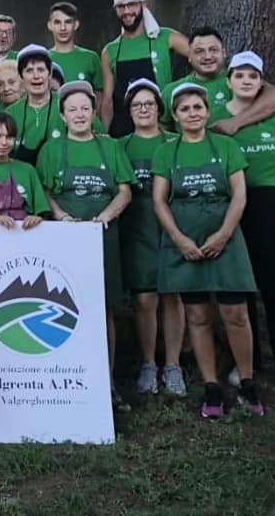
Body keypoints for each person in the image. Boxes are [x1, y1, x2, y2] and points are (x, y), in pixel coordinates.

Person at [152, 83, 262, 418]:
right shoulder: (166, 153)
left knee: (236, 314)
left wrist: (224, 234)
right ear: (175, 116)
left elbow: (239, 194)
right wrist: (179, 239)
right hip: (185, 240)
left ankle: (247, 381)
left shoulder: (227, 147)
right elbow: (159, 200)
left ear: (207, 111)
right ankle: (211, 386)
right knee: (197, 316)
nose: (192, 114)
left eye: (197, 107)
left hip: (225, 238)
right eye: (184, 109)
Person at [36, 81, 136, 411]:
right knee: (64, 309)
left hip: (103, 238)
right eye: (72, 109)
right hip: (64, 240)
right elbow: (46, 192)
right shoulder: (51, 151)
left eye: (85, 108)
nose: (79, 114)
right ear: (62, 117)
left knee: (103, 310)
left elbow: (124, 191)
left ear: (94, 113)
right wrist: (61, 216)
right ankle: (68, 381)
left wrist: (104, 218)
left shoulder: (111, 148)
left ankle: (106, 384)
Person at [214, 52, 275, 388]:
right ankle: (246, 363)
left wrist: (267, 173)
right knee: (242, 285)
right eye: (239, 75)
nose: (246, 81)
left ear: (261, 82)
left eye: (253, 76)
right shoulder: (214, 117)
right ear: (228, 82)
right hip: (235, 206)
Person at [116, 79, 186, 396]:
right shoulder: (120, 146)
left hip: (173, 228)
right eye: (136, 105)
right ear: (129, 111)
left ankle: (173, 365)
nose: (143, 109)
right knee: (144, 299)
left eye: (149, 104)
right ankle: (148, 363)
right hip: (137, 228)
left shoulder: (177, 141)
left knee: (173, 296)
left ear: (159, 108)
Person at [161, 27, 275, 134]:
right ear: (189, 56)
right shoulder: (172, 90)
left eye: (213, 50)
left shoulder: (239, 79)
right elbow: (161, 132)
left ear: (224, 52)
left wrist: (235, 122)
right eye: (199, 51)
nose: (207, 56)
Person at [100, 0, 189, 137]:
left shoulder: (166, 37)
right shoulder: (110, 51)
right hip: (123, 131)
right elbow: (107, 101)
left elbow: (201, 57)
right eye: (121, 6)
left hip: (160, 128)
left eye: (131, 4)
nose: (127, 11)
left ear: (143, 4)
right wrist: (105, 136)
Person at [6, 44, 63, 165]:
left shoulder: (68, 105)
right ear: (21, 77)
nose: (36, 76)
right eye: (29, 71)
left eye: (41, 70)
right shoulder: (10, 114)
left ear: (50, 73)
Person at [47, 2, 102, 90]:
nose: (63, 28)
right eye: (57, 22)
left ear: (76, 24)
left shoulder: (91, 58)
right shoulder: (43, 59)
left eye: (68, 22)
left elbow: (100, 94)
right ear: (50, 25)